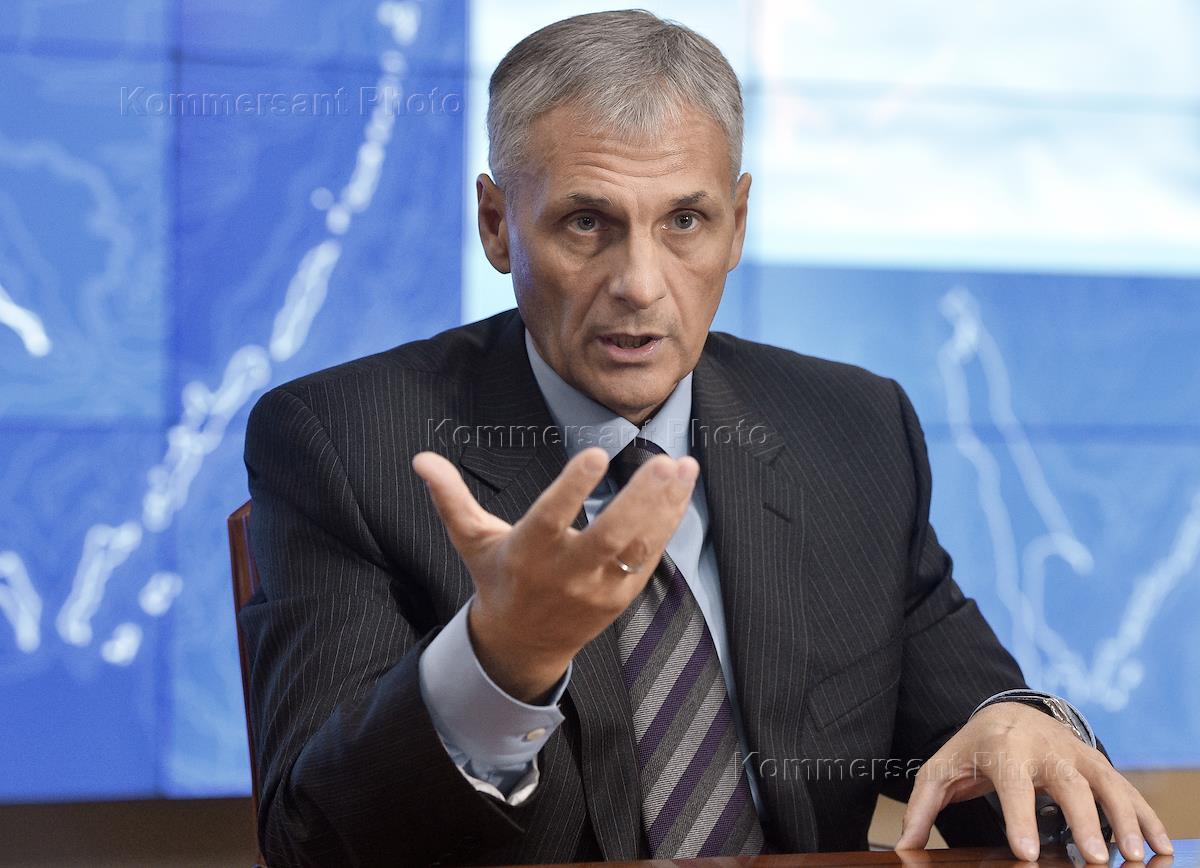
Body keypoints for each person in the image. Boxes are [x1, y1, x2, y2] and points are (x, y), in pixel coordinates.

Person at [239, 10, 1172, 867]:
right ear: (496, 224)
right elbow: (312, 843)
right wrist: (501, 663)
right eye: (586, 223)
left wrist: (1022, 727)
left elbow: (978, 745)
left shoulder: (851, 431)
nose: (640, 284)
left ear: (737, 225)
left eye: (685, 220)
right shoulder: (342, 444)